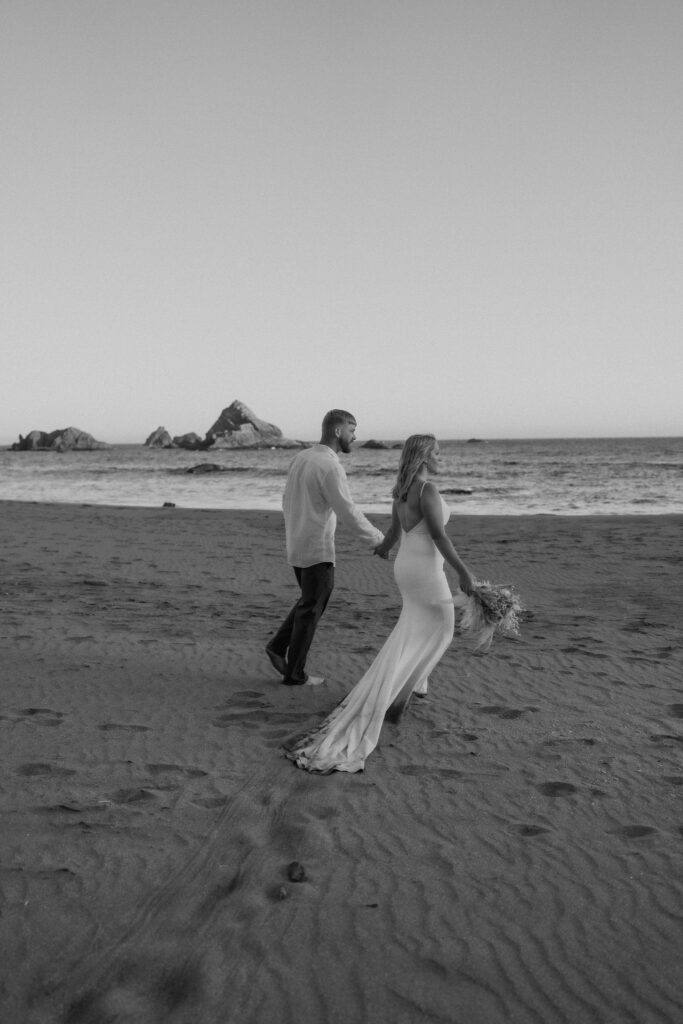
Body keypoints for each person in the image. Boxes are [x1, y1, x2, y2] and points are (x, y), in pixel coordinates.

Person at [283, 433, 475, 773]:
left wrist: (383, 549)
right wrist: (464, 572)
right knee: (443, 629)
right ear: (424, 457)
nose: (441, 458)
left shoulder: (401, 492)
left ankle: (407, 689)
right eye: (437, 453)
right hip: (425, 571)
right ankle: (400, 697)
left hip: (407, 567)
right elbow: (439, 536)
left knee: (414, 629)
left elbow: (394, 533)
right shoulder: (426, 491)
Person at [266, 409, 385, 686]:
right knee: (311, 608)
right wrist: (378, 540)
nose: (355, 437)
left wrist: (294, 531)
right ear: (337, 431)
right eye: (352, 430)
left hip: (297, 544)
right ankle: (294, 674)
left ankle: (276, 648)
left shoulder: (301, 458)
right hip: (316, 549)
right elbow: (348, 511)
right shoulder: (330, 466)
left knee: (309, 603)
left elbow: (286, 500)